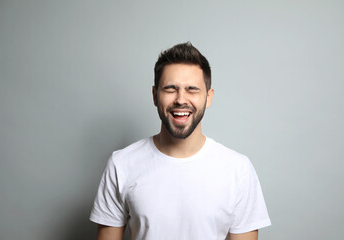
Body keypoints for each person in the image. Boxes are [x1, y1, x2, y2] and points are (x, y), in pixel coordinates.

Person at [90, 42, 271, 240]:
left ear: (208, 98)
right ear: (154, 95)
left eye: (192, 89)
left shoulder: (238, 170)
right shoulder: (122, 164)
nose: (181, 99)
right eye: (170, 89)